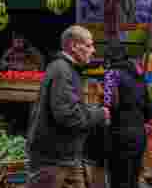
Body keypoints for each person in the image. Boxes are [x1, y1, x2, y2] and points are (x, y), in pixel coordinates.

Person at [25, 25, 110, 188]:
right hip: (52, 158)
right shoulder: (62, 70)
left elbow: (72, 108)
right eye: (89, 45)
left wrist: (94, 112)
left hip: (67, 156)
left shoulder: (68, 69)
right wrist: (100, 114)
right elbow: (68, 115)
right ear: (73, 46)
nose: (93, 50)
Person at [102, 39, 152, 188]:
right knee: (133, 180)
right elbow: (149, 110)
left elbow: (108, 105)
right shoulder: (138, 73)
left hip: (119, 135)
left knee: (119, 180)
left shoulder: (111, 74)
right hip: (139, 135)